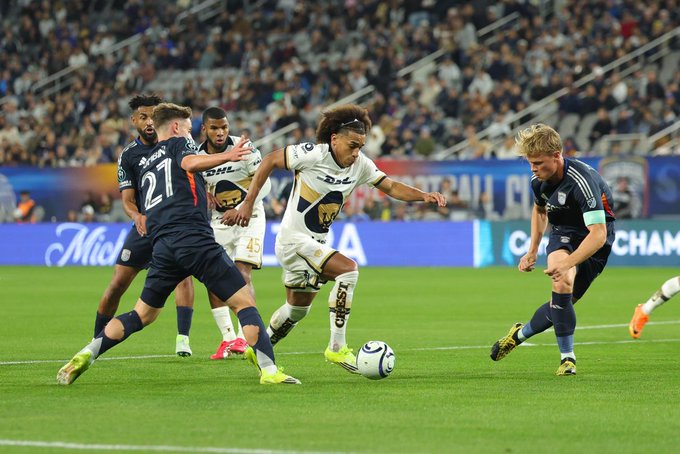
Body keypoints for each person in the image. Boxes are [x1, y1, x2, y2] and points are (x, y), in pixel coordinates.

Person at [57, 103, 300, 386]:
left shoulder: (147, 164)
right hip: (194, 240)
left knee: (142, 314)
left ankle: (88, 352)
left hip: (162, 247)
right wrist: (229, 155)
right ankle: (269, 370)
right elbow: (189, 163)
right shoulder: (178, 144)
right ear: (175, 128)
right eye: (187, 128)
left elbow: (177, 185)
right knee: (244, 301)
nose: (190, 134)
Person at [231, 104, 446, 373]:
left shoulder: (361, 165)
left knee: (297, 310)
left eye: (360, 147)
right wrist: (248, 203)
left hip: (314, 244)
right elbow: (270, 160)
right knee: (348, 271)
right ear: (334, 139)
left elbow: (390, 186)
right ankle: (337, 347)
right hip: (293, 241)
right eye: (352, 145)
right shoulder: (313, 154)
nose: (356, 153)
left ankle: (259, 349)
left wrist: (423, 195)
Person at [489, 123, 616, 376]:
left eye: (538, 163)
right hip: (563, 232)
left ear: (557, 156)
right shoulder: (538, 181)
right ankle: (567, 359)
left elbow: (598, 234)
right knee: (562, 282)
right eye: (530, 163)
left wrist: (569, 262)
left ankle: (519, 334)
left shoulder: (582, 182)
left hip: (595, 235)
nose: (533, 169)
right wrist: (532, 251)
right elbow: (539, 211)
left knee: (560, 304)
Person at [93, 94, 195, 357]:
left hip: (172, 225)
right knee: (117, 284)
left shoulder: (176, 143)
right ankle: (96, 340)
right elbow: (127, 200)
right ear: (133, 121)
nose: (149, 122)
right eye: (143, 117)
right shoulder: (129, 155)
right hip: (144, 227)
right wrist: (137, 217)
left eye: (153, 116)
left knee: (183, 278)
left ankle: (183, 339)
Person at [198, 106, 272, 359]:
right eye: (214, 128)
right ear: (204, 129)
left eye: (224, 127)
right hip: (219, 222)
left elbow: (264, 183)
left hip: (250, 218)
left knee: (242, 272)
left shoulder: (244, 148)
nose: (220, 133)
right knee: (213, 276)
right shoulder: (198, 156)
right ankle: (227, 338)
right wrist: (204, 195)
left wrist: (242, 208)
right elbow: (193, 186)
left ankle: (244, 337)